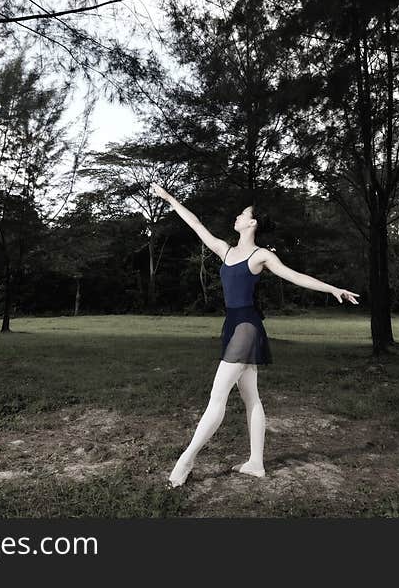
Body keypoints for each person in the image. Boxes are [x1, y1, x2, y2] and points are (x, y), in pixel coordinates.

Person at [150, 183, 360, 488]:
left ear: (252, 223)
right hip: (232, 325)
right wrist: (168, 198)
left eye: (242, 215)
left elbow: (294, 275)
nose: (236, 217)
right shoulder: (225, 250)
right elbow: (195, 223)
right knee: (251, 397)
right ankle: (256, 463)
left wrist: (332, 288)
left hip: (247, 328)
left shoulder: (261, 256)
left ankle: (186, 460)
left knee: (217, 397)